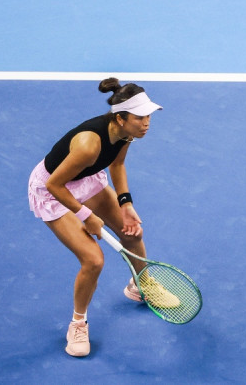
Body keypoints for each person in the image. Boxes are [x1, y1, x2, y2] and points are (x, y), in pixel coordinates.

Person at [28, 78, 174, 357]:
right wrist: (87, 216)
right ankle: (77, 323)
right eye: (140, 118)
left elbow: (117, 163)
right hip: (53, 189)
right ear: (120, 118)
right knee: (93, 260)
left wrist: (125, 203)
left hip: (83, 178)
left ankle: (141, 286)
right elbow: (54, 185)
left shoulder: (126, 133)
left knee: (133, 232)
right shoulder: (88, 146)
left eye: (148, 117)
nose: (146, 124)